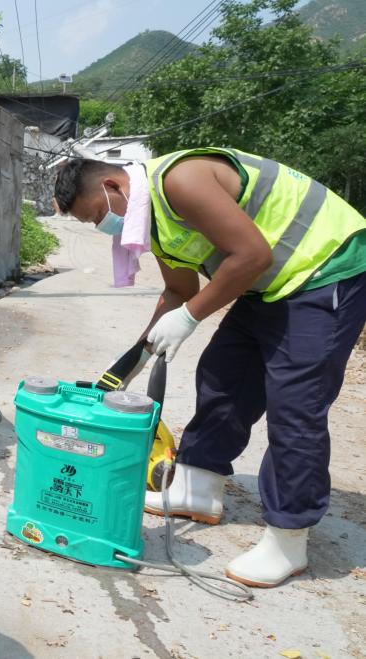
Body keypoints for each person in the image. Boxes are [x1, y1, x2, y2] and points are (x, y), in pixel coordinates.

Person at [54, 148, 366, 588]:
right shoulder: (150, 218)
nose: (102, 226)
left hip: (325, 266)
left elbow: (251, 256)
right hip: (269, 282)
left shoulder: (180, 181)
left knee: (295, 406)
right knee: (223, 375)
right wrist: (134, 359)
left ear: (112, 186)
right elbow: (179, 291)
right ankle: (197, 487)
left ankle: (289, 537)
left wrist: (190, 318)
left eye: (96, 216)